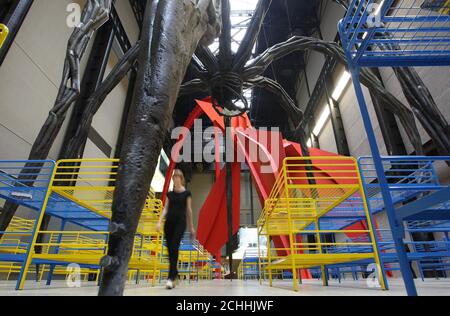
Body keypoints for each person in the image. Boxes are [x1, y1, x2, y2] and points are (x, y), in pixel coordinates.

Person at [156, 169, 196, 290]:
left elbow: (189, 210)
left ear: (181, 179)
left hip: (180, 223)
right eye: (174, 177)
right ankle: (175, 275)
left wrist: (191, 227)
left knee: (174, 246)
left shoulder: (187, 193)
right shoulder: (170, 194)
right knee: (170, 251)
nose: (176, 179)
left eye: (178, 177)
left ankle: (170, 278)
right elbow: (166, 209)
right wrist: (159, 221)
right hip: (169, 224)